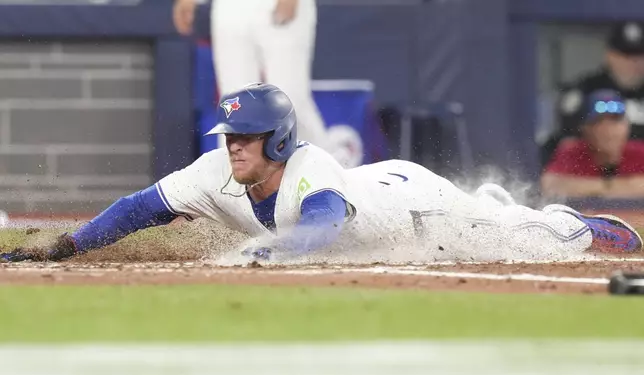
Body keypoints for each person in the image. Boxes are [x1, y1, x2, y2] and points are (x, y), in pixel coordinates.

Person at [1, 83, 641, 264]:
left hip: (419, 210)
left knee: (511, 236)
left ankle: (574, 226)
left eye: (246, 137)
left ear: (276, 138)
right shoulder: (216, 168)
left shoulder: (312, 172)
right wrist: (68, 245)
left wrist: (264, 256)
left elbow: (322, 224)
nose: (234, 148)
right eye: (229, 137)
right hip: (386, 193)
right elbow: (140, 208)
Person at [172, 0, 332, 153]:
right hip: (230, 9)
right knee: (234, 104)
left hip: (275, 5)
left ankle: (327, 175)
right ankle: (234, 179)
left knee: (290, 101)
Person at [541, 21, 644, 166]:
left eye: (640, 56)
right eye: (626, 56)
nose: (634, 63)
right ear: (610, 55)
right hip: (589, 175)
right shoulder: (585, 90)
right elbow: (567, 143)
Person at [542, 90, 644, 198]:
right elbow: (549, 185)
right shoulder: (574, 152)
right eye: (598, 122)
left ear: (627, 126)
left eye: (615, 121)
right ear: (585, 128)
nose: (608, 131)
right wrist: (615, 187)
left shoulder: (639, 152)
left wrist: (589, 188)